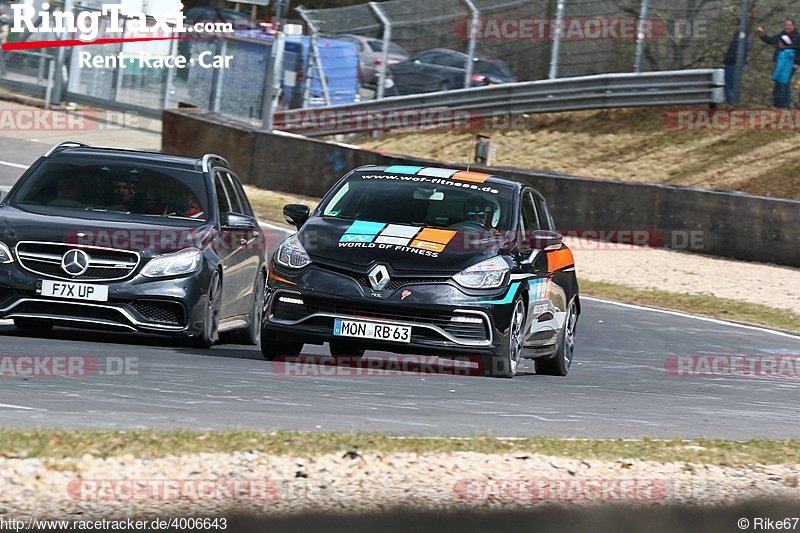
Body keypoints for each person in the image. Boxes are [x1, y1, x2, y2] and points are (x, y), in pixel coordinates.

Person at [723, 23, 750, 104]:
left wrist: (728, 60)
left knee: (729, 83)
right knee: (733, 84)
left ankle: (732, 102)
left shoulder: (740, 38)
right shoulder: (743, 38)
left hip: (733, 64)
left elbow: (734, 52)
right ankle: (733, 101)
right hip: (735, 63)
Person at [772, 35, 795, 108]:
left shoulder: (783, 54)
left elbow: (780, 67)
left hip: (780, 77)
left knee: (778, 93)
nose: (779, 43)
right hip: (786, 77)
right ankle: (785, 106)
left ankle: (779, 108)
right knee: (785, 93)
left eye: (780, 42)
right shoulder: (791, 54)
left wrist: (775, 76)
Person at [0, 9, 10, 76]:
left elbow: (5, 33)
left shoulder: (3, 19)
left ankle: (3, 72)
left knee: (0, 57)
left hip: (1, 42)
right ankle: (3, 72)